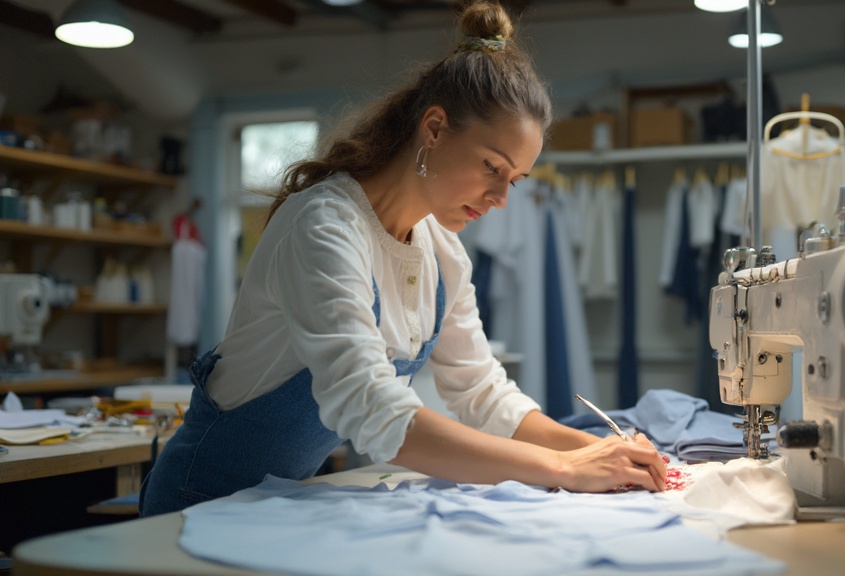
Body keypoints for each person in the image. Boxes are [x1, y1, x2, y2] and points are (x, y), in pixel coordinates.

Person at [139, 0, 666, 517]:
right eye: (492, 167)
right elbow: (370, 408)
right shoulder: (324, 226)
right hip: (195, 504)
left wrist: (594, 451)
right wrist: (563, 469)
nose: (501, 198)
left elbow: (482, 393)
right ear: (433, 129)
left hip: (276, 506)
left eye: (515, 180)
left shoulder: (442, 251)